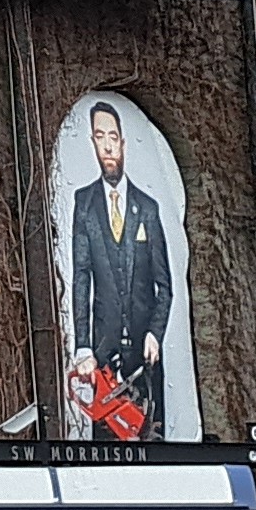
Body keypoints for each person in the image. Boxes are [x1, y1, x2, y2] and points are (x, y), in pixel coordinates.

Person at [68, 100, 176, 437]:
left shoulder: (147, 207)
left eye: (113, 136)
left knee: (149, 441)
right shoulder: (83, 204)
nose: (108, 145)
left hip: (144, 355)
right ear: (93, 143)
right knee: (105, 446)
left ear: (123, 142)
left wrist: (155, 334)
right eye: (100, 137)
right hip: (103, 356)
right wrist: (84, 346)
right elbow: (81, 277)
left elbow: (165, 286)